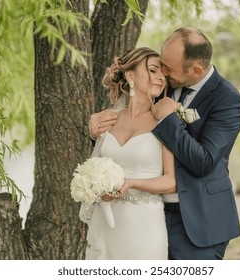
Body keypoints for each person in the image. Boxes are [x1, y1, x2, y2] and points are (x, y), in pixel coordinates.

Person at [89, 27, 240, 260]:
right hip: (149, 215)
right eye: (160, 65)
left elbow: (203, 161)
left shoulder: (228, 101)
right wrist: (96, 133)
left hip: (199, 220)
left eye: (167, 69)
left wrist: (168, 119)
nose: (162, 73)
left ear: (196, 70)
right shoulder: (164, 84)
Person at [81, 47, 176, 260]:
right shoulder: (109, 119)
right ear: (130, 76)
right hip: (105, 221)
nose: (161, 77)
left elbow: (171, 181)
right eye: (153, 70)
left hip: (144, 225)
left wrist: (131, 183)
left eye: (163, 73)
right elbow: (95, 165)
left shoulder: (165, 120)